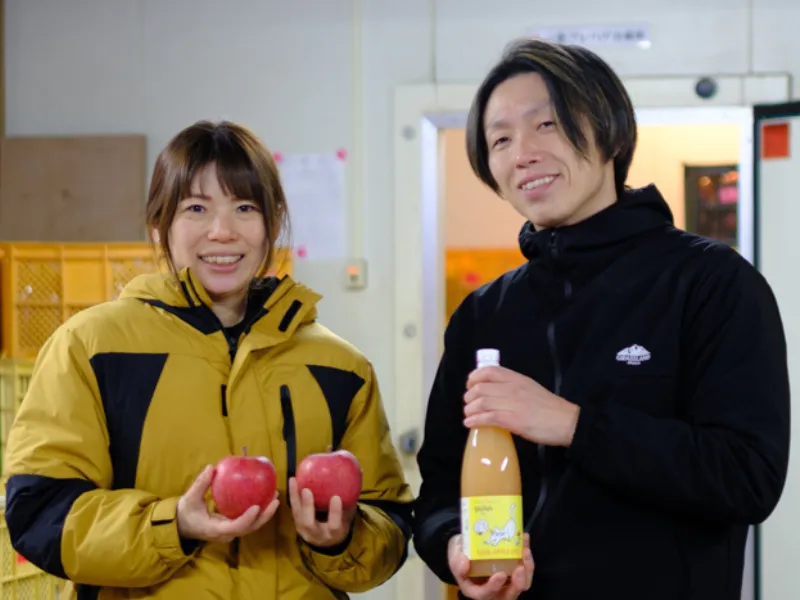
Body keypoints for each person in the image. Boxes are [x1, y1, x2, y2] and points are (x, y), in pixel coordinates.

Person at [413, 37, 790, 600]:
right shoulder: (484, 314)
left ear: (610, 129)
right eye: (501, 139)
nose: (523, 154)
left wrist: (573, 425)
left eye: (547, 125)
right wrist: (454, 547)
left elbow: (747, 477)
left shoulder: (711, 283)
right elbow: (440, 491)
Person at [3, 120, 414, 600]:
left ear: (273, 223)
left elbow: (391, 524)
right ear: (160, 223)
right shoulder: (90, 348)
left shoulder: (340, 367)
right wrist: (172, 524)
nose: (222, 232)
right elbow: (39, 512)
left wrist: (341, 538)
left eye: (244, 208)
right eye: (196, 208)